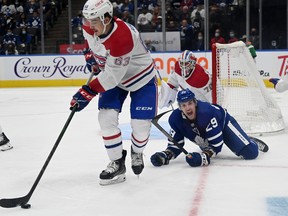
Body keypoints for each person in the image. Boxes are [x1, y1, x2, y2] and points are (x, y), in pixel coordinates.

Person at [70, 0, 157, 186]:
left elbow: (111, 78)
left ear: (107, 18)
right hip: (114, 76)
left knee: (140, 128)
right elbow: (89, 41)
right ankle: (117, 162)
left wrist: (87, 91)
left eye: (94, 20)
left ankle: (137, 151)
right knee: (106, 119)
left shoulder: (123, 37)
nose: (89, 24)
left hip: (140, 78)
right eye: (87, 19)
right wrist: (90, 56)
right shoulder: (90, 25)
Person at [151, 89, 269, 168]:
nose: (188, 108)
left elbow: (216, 146)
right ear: (180, 107)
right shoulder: (175, 119)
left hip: (224, 124)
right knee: (204, 142)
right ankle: (242, 139)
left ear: (195, 103)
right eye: (184, 105)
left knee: (251, 153)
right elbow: (176, 145)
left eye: (190, 103)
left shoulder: (206, 114)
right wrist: (165, 155)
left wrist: (204, 157)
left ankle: (247, 140)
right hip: (206, 133)